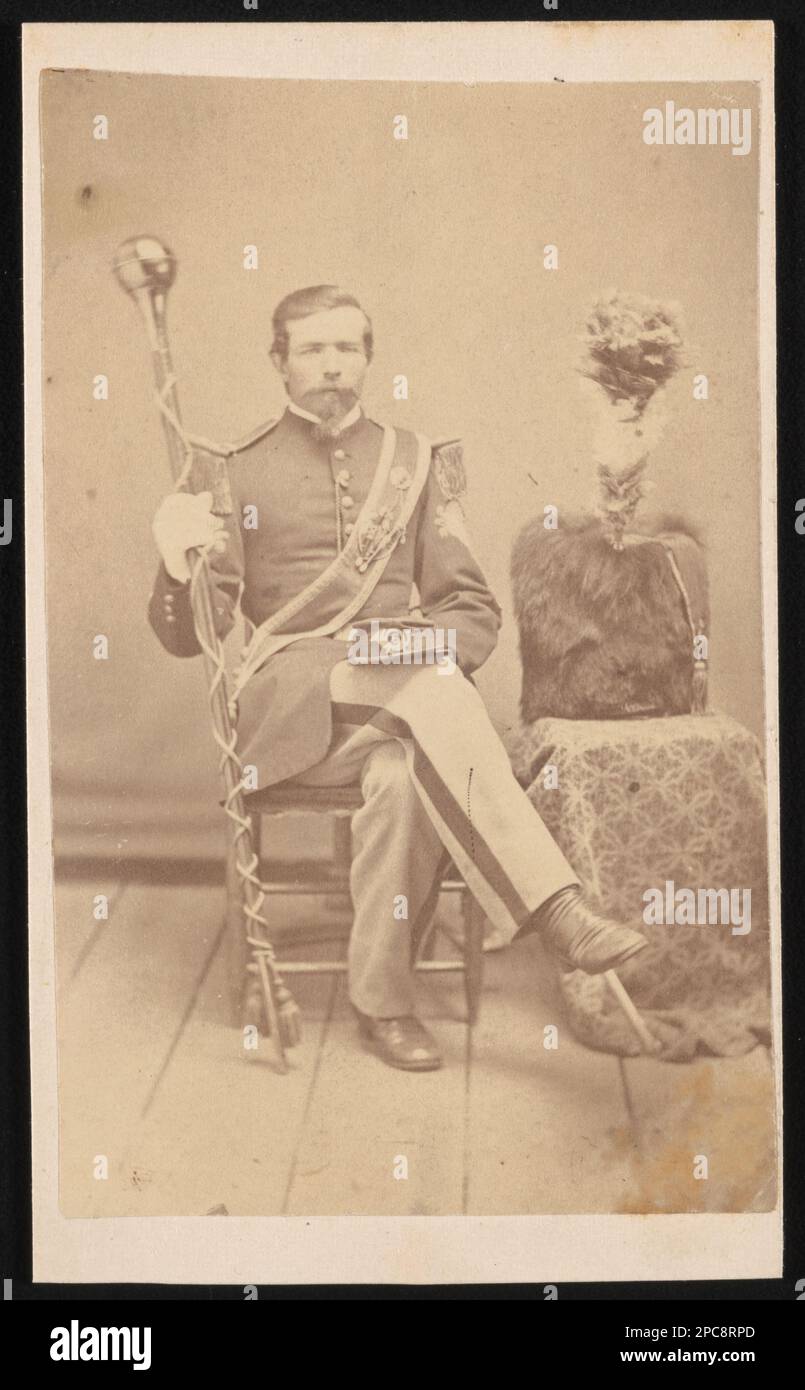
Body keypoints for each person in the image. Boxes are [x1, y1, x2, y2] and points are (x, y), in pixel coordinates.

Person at [148, 285, 647, 1072]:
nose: (332, 365)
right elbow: (193, 639)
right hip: (289, 712)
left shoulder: (414, 464)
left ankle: (382, 1002)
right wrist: (175, 567)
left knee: (404, 771)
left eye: (347, 347)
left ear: (368, 358)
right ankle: (556, 905)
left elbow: (472, 614)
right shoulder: (231, 470)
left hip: (406, 715)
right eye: (312, 349)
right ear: (278, 362)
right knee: (431, 695)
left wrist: (401, 645)